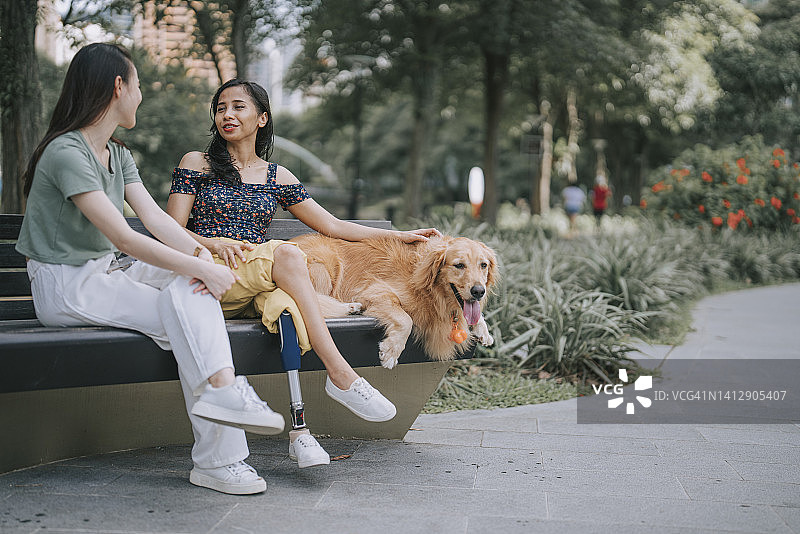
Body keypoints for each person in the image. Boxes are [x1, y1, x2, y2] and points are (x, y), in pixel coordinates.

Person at [16, 43, 285, 496]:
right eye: (137, 85)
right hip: (68, 288)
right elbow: (124, 236)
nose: (140, 96)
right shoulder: (66, 152)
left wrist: (202, 259)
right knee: (190, 312)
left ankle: (222, 396)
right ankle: (221, 449)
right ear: (118, 87)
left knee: (191, 290)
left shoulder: (117, 154)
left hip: (107, 273)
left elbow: (159, 222)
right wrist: (205, 267)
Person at [166, 79, 440, 469]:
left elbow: (334, 226)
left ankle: (300, 432)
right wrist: (213, 243)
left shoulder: (277, 176)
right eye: (221, 107)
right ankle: (341, 375)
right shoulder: (197, 163)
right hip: (209, 274)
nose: (227, 114)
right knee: (290, 255)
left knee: (288, 309)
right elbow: (170, 230)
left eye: (239, 107)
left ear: (262, 118)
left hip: (255, 280)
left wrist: (399, 236)